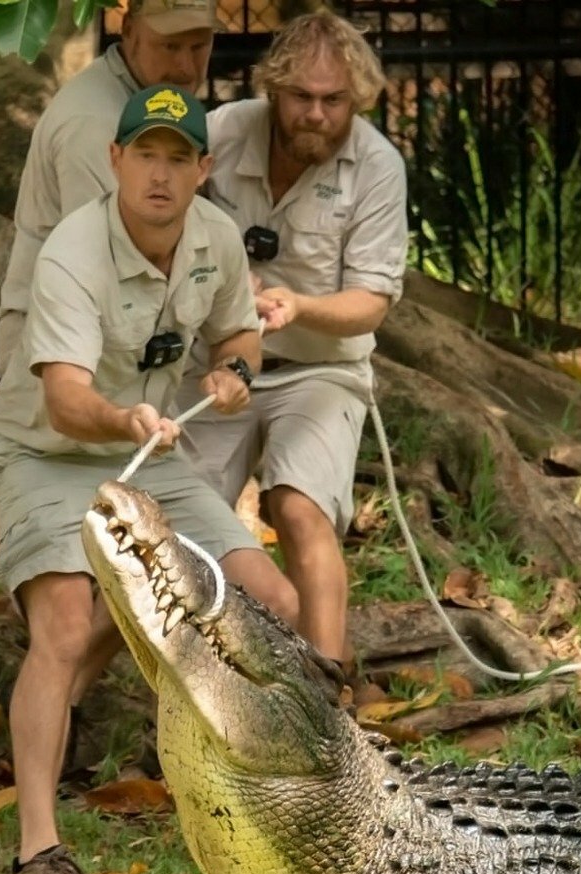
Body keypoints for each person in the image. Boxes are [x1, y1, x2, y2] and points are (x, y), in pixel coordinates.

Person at [0, 85, 299, 874]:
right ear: (117, 160)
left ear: (203, 169)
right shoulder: (71, 253)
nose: (159, 176)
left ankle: (276, 804)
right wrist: (126, 418)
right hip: (49, 452)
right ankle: (39, 852)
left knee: (270, 598)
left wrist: (233, 372)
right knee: (63, 619)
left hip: (146, 451)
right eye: (144, 155)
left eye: (176, 159)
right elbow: (62, 400)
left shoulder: (216, 238)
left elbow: (239, 335)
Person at [180, 11, 408, 671]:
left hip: (320, 369)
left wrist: (300, 306)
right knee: (181, 521)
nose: (316, 114)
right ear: (272, 89)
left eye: (333, 101)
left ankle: (327, 695)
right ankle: (176, 688)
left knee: (299, 506)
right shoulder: (221, 133)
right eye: (301, 97)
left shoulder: (377, 167)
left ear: (356, 101)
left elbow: (371, 303)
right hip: (220, 363)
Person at [0, 0, 222, 376]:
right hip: (59, 355)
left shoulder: (148, 99)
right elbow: (118, 265)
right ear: (129, 30)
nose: (185, 67)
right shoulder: (95, 125)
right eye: (170, 46)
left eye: (199, 46)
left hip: (113, 342)